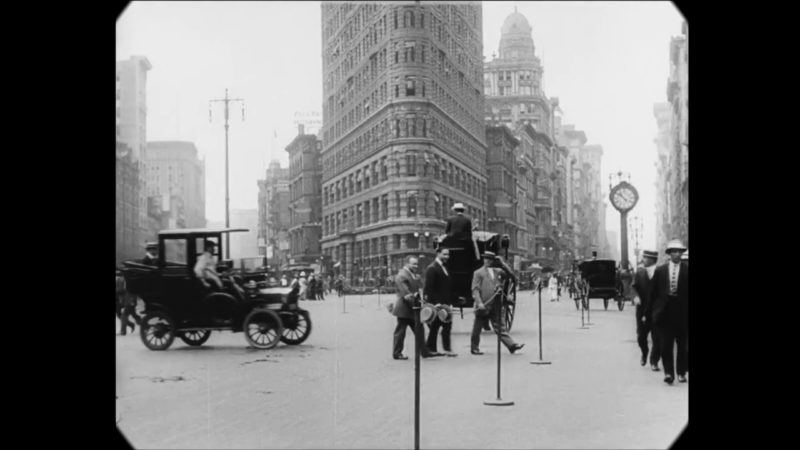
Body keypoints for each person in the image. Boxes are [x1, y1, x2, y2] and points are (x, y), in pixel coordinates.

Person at [646, 239, 688, 385]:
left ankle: (681, 372)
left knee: (683, 344)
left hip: (682, 311)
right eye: (674, 252)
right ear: (669, 254)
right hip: (665, 311)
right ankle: (669, 373)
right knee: (666, 344)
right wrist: (648, 313)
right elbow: (652, 293)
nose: (677, 254)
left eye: (679, 252)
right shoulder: (661, 271)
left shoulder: (687, 270)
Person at [470, 252, 524, 355]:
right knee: (477, 328)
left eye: (490, 259)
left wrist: (503, 263)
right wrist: (479, 303)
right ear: (483, 259)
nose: (488, 261)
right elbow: (475, 289)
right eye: (486, 258)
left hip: (496, 304)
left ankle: (511, 346)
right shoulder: (478, 273)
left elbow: (511, 276)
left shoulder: (498, 271)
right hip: (484, 304)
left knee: (500, 328)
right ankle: (474, 347)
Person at [392, 256, 439, 360]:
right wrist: (420, 304)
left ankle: (424, 351)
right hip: (404, 308)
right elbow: (406, 293)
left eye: (417, 264)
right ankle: (397, 353)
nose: (416, 266)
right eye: (413, 264)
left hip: (413, 308)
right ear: (406, 264)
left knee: (419, 330)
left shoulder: (412, 275)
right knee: (401, 332)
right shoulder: (402, 275)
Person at [424, 247, 457, 357]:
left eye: (448, 254)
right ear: (438, 254)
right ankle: (434, 348)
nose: (447, 257)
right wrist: (435, 303)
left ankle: (440, 348)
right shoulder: (432, 268)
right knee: (437, 326)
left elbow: (448, 287)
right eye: (444, 254)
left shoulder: (444, 267)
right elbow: (429, 288)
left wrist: (450, 302)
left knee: (445, 325)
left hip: (446, 304)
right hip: (438, 304)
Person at [632, 250, 661, 371]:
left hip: (656, 311)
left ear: (652, 260)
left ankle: (654, 361)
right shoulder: (639, 272)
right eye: (643, 257)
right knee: (641, 337)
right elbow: (634, 287)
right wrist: (635, 296)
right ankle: (644, 352)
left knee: (657, 338)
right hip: (642, 311)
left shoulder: (661, 273)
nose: (643, 260)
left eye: (646, 258)